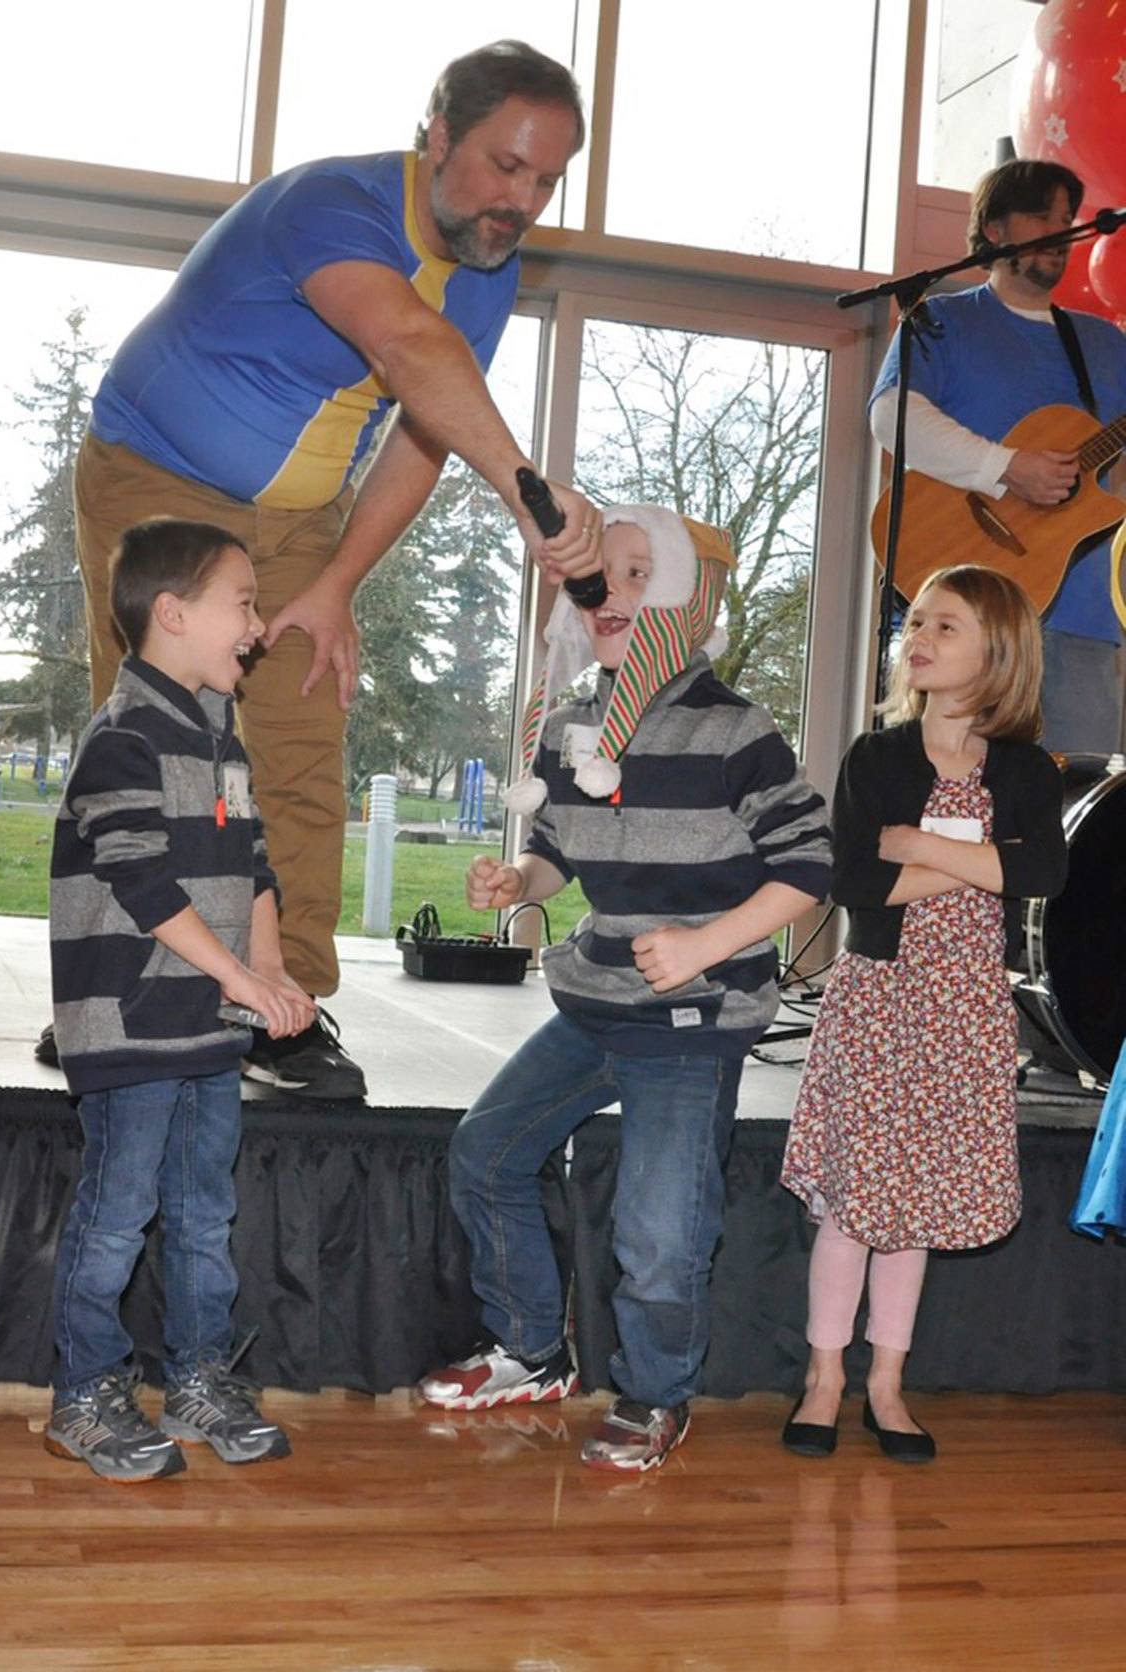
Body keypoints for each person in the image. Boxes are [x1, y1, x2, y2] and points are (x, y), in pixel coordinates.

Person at [57, 39, 603, 1101]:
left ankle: (286, 1004)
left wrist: (340, 579)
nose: (519, 201)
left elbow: (419, 432)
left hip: (305, 516)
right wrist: (530, 493)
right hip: (155, 478)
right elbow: (406, 346)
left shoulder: (488, 270)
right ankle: (109, 993)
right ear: (435, 134)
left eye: (545, 180)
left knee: (303, 742)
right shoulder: (330, 205)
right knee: (156, 754)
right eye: (503, 166)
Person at [418, 509, 831, 1473]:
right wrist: (521, 882)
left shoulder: (736, 729)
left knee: (659, 1227)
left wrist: (705, 944)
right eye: (599, 577)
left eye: (641, 574)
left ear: (692, 604)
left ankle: (655, 1396)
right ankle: (530, 1351)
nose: (612, 595)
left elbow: (810, 864)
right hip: (598, 999)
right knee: (486, 1153)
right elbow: (560, 849)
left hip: (694, 1021)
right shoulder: (572, 724)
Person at [44, 518, 313, 1481]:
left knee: (203, 1213)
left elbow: (252, 866)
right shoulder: (124, 738)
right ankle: (84, 1395)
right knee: (118, 1214)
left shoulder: (218, 734)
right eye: (242, 603)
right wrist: (238, 976)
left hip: (205, 1022)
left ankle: (198, 1376)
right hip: (129, 1020)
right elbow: (140, 883)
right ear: (172, 613)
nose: (258, 623)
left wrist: (269, 972)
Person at [780, 566, 1064, 1464]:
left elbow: (1044, 873)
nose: (920, 637)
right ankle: (824, 1377)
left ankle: (886, 1386)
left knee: (920, 1209)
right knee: (858, 1206)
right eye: (917, 625)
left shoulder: (1023, 768)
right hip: (879, 999)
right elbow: (861, 881)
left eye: (945, 626)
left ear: (998, 652)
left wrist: (920, 845)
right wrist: (979, 853)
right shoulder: (878, 757)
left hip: (965, 1010)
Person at [868, 158, 1126, 753]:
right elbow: (891, 416)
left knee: (1073, 822)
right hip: (967, 620)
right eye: (1042, 217)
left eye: (1068, 219)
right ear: (994, 231)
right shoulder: (941, 320)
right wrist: (1005, 467)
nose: (1062, 234)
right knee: (951, 799)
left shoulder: (1107, 345)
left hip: (1084, 620)